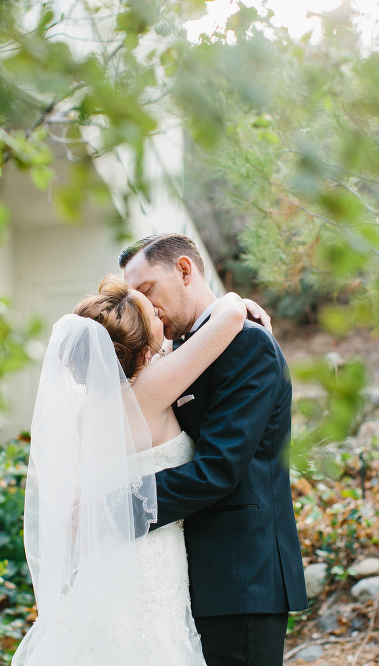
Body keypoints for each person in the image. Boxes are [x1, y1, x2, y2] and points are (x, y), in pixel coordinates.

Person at [14, 274, 267, 666]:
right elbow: (230, 317)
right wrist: (234, 297)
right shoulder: (150, 390)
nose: (164, 324)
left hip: (105, 562)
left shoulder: (86, 413)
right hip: (148, 563)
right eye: (155, 317)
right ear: (145, 347)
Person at [121, 233, 308, 666]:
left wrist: (115, 508)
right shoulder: (186, 350)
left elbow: (218, 469)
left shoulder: (247, 344)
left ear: (185, 270)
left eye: (147, 291)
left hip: (241, 577)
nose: (146, 308)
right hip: (194, 577)